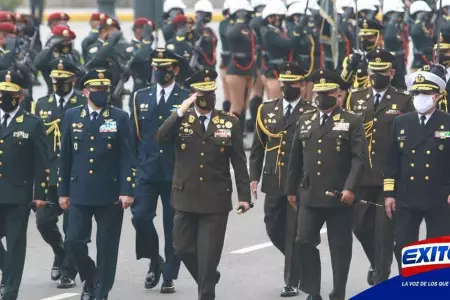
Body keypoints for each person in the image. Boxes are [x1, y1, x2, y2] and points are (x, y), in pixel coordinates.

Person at [156, 69, 251, 300]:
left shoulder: (228, 122)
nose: (207, 97)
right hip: (185, 198)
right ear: (193, 95)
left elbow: (239, 161)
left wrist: (244, 196)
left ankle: (206, 288)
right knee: (182, 247)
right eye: (201, 93)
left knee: (208, 257)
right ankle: (208, 277)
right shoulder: (181, 119)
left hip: (215, 201)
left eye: (210, 92)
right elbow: (161, 137)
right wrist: (181, 109)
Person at [286, 69, 368, 300]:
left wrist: (350, 187)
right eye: (319, 92)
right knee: (303, 241)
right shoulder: (305, 120)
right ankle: (313, 290)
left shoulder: (351, 121)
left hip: (339, 196)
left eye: (328, 93)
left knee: (340, 247)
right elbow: (295, 159)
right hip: (310, 195)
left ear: (338, 95)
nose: (322, 97)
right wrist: (291, 190)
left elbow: (358, 158)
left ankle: (339, 291)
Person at [58, 68, 136, 300]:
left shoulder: (119, 117)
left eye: (104, 89)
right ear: (85, 91)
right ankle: (90, 277)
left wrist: (127, 190)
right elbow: (65, 157)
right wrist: (63, 192)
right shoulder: (72, 116)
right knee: (73, 242)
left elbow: (127, 157)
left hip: (110, 193)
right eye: (96, 89)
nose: (101, 92)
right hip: (80, 190)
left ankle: (100, 293)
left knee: (107, 248)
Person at [347, 48, 414, 286]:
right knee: (360, 227)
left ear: (392, 72)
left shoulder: (403, 99)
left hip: (389, 177)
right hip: (362, 176)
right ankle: (376, 262)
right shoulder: (355, 98)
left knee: (385, 234)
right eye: (373, 71)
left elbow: (408, 140)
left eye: (382, 71)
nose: (377, 75)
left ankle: (381, 278)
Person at [249, 61, 313, 297]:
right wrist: (253, 177)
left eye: (293, 83)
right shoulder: (266, 110)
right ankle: (298, 263)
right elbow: (258, 148)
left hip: (298, 182)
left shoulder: (311, 111)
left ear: (302, 85)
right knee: (272, 227)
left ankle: (291, 280)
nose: (288, 87)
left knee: (292, 232)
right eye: (285, 83)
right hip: (273, 179)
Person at [130, 48, 189, 294]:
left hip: (174, 171)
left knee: (171, 226)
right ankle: (155, 259)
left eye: (164, 68)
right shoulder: (139, 97)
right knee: (140, 217)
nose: (159, 72)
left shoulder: (186, 97)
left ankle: (168, 275)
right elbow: (135, 136)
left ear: (175, 69)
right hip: (147, 170)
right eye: (156, 67)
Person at [384, 70, 450, 271]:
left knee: (437, 249)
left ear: (437, 96)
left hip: (439, 195)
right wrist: (389, 194)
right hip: (407, 194)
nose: (420, 98)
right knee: (403, 245)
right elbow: (392, 161)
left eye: (425, 93)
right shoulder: (401, 122)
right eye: (416, 93)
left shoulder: (447, 122)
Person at [33, 58, 86, 289]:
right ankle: (59, 251)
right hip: (49, 175)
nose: (59, 84)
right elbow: (37, 143)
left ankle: (69, 270)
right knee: (44, 222)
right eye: (55, 80)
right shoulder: (41, 104)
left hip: (74, 174)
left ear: (73, 80)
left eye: (64, 80)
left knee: (72, 228)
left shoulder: (81, 103)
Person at [0, 70, 49, 300]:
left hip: (17, 194)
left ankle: (10, 290)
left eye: (10, 94)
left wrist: (39, 193)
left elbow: (41, 162)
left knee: (16, 243)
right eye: (1, 92)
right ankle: (7, 271)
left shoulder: (32, 123)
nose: (4, 97)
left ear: (20, 97)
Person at [226, 1, 256, 134]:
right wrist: (240, 21)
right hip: (236, 71)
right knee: (236, 107)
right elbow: (231, 36)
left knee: (244, 106)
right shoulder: (231, 26)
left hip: (249, 70)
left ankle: (240, 136)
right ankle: (231, 138)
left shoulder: (249, 28)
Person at [34, 25, 82, 95]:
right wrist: (52, 47)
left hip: (74, 94)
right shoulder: (48, 55)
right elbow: (38, 64)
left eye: (68, 41)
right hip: (54, 94)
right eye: (64, 41)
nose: (67, 44)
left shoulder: (74, 54)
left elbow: (79, 71)